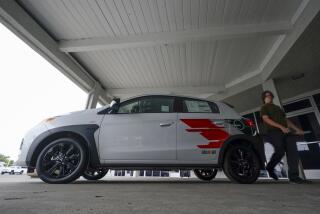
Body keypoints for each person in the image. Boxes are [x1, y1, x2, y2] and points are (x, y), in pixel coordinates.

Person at [260, 90, 310, 184]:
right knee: (280, 152)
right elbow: (266, 119)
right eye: (266, 96)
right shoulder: (264, 107)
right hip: (274, 132)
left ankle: (294, 176)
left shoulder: (278, 108)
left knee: (293, 152)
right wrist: (281, 127)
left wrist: (297, 129)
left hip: (286, 132)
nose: (269, 96)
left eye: (270, 95)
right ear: (264, 98)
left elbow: (286, 120)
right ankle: (270, 167)